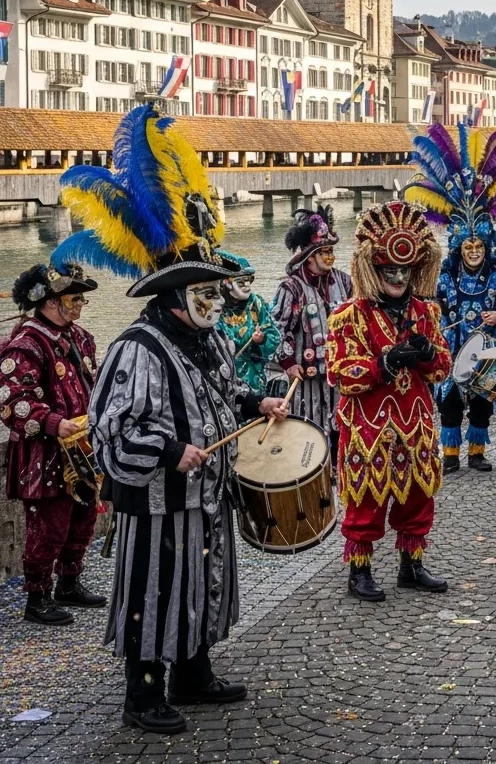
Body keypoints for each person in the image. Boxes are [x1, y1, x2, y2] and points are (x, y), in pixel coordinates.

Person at [57, 105, 289, 735]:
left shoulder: (206, 340)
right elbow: (112, 430)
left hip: (205, 493)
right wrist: (169, 452)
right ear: (174, 299)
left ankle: (194, 670)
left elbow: (220, 394)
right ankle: (143, 694)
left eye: (215, 294)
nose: (214, 303)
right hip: (156, 499)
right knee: (152, 592)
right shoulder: (138, 347)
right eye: (203, 295)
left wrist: (255, 404)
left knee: (202, 581)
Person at [326, 202, 451, 601]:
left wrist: (428, 353)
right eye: (390, 271)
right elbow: (340, 373)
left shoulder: (426, 312)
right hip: (369, 427)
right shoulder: (349, 316)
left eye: (405, 271)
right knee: (365, 498)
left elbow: (443, 369)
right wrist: (384, 362)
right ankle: (359, 570)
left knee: (418, 495)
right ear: (373, 271)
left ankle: (410, 565)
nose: (398, 277)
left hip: (415, 422)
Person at [406, 122, 496, 474]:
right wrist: (441, 320)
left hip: (488, 344)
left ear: (486, 246)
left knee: (482, 399)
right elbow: (429, 305)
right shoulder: (444, 275)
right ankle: (449, 455)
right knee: (448, 401)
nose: (475, 251)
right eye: (469, 246)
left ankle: (476, 452)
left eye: (479, 246)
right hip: (453, 343)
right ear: (459, 246)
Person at [2, 261, 104, 625]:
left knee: (83, 516)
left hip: (81, 447)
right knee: (49, 525)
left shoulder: (79, 337)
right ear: (49, 302)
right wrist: (52, 422)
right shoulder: (26, 345)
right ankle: (37, 597)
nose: (79, 305)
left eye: (80, 299)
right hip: (44, 452)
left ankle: (70, 582)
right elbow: (11, 402)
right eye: (73, 298)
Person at [272, 203, 353, 457]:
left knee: (343, 426)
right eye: (324, 252)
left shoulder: (344, 281)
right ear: (310, 255)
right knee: (311, 432)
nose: (330, 257)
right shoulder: (291, 288)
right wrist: (287, 363)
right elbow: (277, 331)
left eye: (331, 251)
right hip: (307, 380)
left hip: (340, 375)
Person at [216, 252, 281, 390]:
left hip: (255, 380)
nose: (247, 285)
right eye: (241, 281)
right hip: (224, 382)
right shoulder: (215, 307)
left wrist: (261, 340)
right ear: (226, 283)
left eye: (249, 280)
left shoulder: (256, 303)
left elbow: (274, 337)